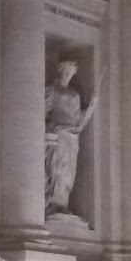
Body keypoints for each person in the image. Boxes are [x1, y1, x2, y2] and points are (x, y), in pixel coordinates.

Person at [44, 58, 96, 215]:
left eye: (71, 72)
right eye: (66, 71)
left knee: (68, 172)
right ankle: (51, 203)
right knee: (56, 168)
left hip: (71, 137)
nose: (68, 74)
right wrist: (47, 131)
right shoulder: (52, 89)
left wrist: (92, 105)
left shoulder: (75, 95)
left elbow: (80, 120)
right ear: (60, 70)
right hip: (56, 134)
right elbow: (41, 111)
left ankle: (62, 203)